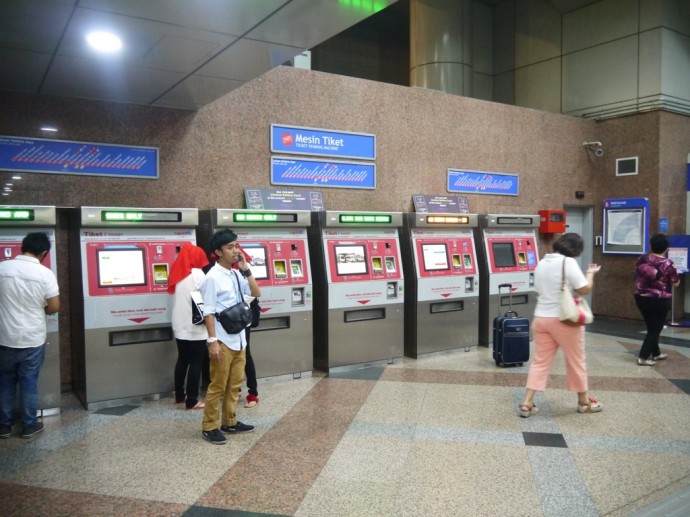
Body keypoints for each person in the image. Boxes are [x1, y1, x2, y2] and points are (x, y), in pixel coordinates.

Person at [519, 233, 602, 417]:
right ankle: (583, 402)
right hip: (564, 319)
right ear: (575, 249)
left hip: (541, 319)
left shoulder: (541, 263)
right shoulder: (567, 262)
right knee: (576, 361)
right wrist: (590, 274)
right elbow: (584, 289)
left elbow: (538, 289)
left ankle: (527, 402)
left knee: (540, 362)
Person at [200, 229, 260, 445]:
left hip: (240, 338)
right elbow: (207, 311)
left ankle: (230, 421)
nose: (236, 251)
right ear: (218, 252)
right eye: (230, 247)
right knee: (218, 385)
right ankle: (209, 426)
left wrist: (246, 270)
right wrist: (212, 342)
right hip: (223, 340)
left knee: (235, 383)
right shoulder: (212, 278)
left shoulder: (236, 273)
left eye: (236, 246)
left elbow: (255, 293)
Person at [0, 232, 60, 439]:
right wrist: (39, 309)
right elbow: (54, 307)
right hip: (32, 339)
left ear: (21, 247)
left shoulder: (2, 268)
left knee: (5, 382)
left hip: (4, 337)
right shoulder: (45, 274)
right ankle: (28, 425)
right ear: (44, 253)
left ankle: (4, 426)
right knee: (28, 382)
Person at [168, 243, 209, 410]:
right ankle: (192, 400)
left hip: (179, 323)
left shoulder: (177, 272)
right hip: (196, 325)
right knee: (196, 362)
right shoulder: (197, 274)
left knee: (182, 360)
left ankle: (179, 395)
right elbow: (209, 295)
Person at [634, 233, 680, 366]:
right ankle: (643, 357)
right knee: (655, 329)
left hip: (640, 297)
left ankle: (656, 353)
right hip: (659, 300)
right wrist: (675, 271)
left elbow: (638, 272)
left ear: (651, 245)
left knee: (651, 327)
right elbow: (675, 283)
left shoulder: (642, 258)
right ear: (666, 248)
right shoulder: (668, 264)